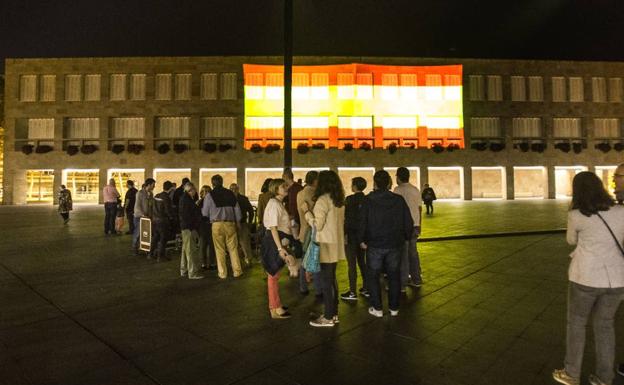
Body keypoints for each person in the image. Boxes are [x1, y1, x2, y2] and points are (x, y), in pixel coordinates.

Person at [553, 172, 624, 385]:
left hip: (585, 277)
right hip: (617, 279)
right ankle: (604, 377)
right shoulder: (621, 211)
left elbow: (570, 240)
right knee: (605, 326)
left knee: (576, 324)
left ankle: (572, 373)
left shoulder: (576, 215)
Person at [359, 170, 413, 318]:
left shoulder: (368, 200)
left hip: (374, 244)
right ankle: (394, 308)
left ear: (375, 183)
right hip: (395, 244)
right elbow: (407, 220)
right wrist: (406, 236)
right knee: (394, 275)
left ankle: (377, 307)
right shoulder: (398, 199)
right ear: (389, 183)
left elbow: (362, 221)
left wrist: (362, 240)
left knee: (374, 276)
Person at [302, 170, 346, 327]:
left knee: (327, 282)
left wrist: (307, 212)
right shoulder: (339, 200)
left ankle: (328, 317)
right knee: (332, 279)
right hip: (336, 244)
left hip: (325, 244)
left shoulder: (322, 200)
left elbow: (317, 225)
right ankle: (333, 313)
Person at [262, 178, 296, 319]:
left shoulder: (277, 203)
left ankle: (275, 305)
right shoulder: (274, 204)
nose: (286, 188)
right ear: (276, 189)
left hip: (278, 241)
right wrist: (279, 248)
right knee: (273, 275)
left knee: (274, 275)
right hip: (275, 242)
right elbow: (273, 228)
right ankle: (275, 308)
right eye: (283, 186)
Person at [202, 175, 244, 279]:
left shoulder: (209, 195)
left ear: (213, 183)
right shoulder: (230, 193)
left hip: (216, 224)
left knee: (219, 249)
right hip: (230, 223)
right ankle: (237, 271)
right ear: (222, 182)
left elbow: (205, 213)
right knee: (233, 248)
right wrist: (238, 222)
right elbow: (237, 210)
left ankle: (222, 273)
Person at [394, 167, 423, 290]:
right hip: (415, 225)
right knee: (413, 253)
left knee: (403, 255)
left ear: (398, 177)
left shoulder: (397, 190)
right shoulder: (415, 190)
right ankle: (416, 279)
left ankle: (403, 283)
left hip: (402, 226)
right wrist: (419, 224)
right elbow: (420, 208)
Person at [340, 176, 369, 301]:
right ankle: (366, 288)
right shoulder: (367, 199)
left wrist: (344, 234)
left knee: (351, 265)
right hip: (363, 237)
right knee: (363, 263)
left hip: (351, 236)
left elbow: (347, 219)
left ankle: (352, 292)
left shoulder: (349, 199)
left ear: (355, 186)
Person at [297, 171, 323, 297]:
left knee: (304, 261)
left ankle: (303, 287)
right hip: (312, 231)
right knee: (315, 259)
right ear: (315, 181)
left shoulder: (299, 193)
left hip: (303, 231)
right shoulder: (313, 194)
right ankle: (319, 289)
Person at [178, 182, 203, 279]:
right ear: (190, 190)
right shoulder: (187, 200)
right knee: (191, 251)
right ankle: (192, 273)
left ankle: (184, 270)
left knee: (185, 250)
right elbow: (188, 215)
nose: (195, 192)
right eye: (194, 190)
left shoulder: (184, 198)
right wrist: (193, 228)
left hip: (185, 227)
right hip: (189, 228)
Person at [230, 183, 255, 265]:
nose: (233, 190)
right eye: (232, 189)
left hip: (242, 223)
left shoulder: (243, 199)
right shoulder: (229, 199)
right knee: (235, 243)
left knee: (244, 243)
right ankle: (238, 260)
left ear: (238, 189)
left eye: (235, 188)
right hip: (232, 224)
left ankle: (248, 259)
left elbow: (251, 211)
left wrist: (250, 222)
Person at [150, 181, 175, 261]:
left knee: (156, 237)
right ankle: (160, 256)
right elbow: (168, 210)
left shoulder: (157, 195)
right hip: (162, 220)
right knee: (163, 238)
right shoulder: (166, 197)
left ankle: (150, 254)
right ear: (170, 188)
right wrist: (172, 217)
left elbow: (151, 207)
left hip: (155, 219)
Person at [133, 178, 156, 254]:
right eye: (153, 185)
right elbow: (137, 206)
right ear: (148, 185)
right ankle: (135, 247)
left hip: (147, 217)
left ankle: (144, 248)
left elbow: (151, 205)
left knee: (146, 234)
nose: (154, 187)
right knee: (138, 233)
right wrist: (142, 214)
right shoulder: (140, 193)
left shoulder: (151, 194)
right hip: (139, 217)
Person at [197, 185, 216, 270]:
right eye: (204, 191)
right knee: (203, 246)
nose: (206, 193)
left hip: (209, 225)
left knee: (211, 245)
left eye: (207, 191)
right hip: (203, 226)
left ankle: (211, 263)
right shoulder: (199, 202)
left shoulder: (202, 202)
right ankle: (203, 263)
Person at [283, 168, 303, 238]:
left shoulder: (295, 188)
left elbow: (294, 203)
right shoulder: (299, 187)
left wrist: (292, 215)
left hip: (294, 216)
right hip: (295, 215)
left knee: (295, 238)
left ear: (285, 177)